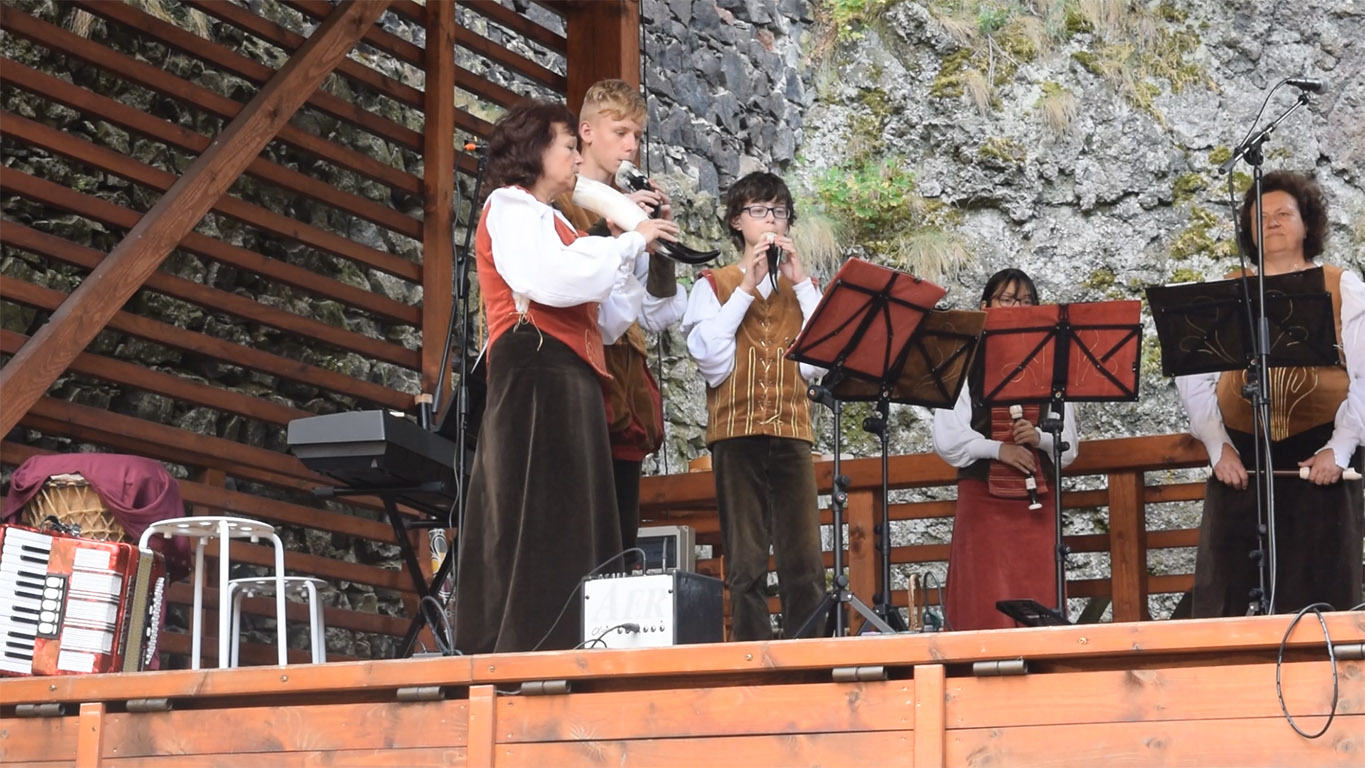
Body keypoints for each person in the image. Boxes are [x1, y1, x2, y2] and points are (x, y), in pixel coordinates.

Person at [452, 100, 678, 654]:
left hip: (567, 375)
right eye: (569, 146)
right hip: (535, 371)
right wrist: (627, 240)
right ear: (535, 151)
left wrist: (635, 249)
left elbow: (607, 317)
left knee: (571, 512)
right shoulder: (510, 205)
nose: (578, 158)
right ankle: (529, 647)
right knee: (540, 511)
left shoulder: (555, 222)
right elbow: (549, 280)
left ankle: (574, 644)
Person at [1176, 170, 1364, 617]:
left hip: (1318, 459)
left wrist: (1339, 449)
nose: (1272, 222)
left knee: (1319, 599)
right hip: (1241, 462)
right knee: (1228, 595)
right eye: (1260, 216)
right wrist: (1218, 447)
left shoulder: (1344, 286)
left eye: (1284, 213)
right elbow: (1193, 376)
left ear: (1307, 224)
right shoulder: (1227, 290)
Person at [680, 171, 826, 640]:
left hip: (791, 434)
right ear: (736, 222)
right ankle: (751, 658)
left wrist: (801, 285)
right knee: (745, 563)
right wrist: (746, 289)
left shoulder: (803, 289)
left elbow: (818, 364)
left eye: (779, 212)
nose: (771, 221)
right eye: (759, 211)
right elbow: (712, 362)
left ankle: (811, 660)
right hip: (736, 436)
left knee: (805, 562)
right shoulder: (714, 284)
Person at [554, 79, 688, 566]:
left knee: (620, 538)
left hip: (624, 381)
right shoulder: (557, 199)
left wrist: (661, 243)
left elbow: (654, 313)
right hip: (577, 367)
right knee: (576, 529)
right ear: (587, 133)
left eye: (637, 135)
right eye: (621, 132)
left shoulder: (627, 204)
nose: (631, 145)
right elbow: (567, 276)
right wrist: (618, 233)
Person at [931, 269, 1079, 631]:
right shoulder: (964, 358)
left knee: (1038, 594)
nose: (1018, 308)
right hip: (983, 499)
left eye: (1027, 302)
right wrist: (999, 450)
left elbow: (1070, 447)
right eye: (1007, 300)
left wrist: (1039, 438)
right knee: (982, 597)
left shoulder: (1053, 362)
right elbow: (947, 439)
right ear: (985, 306)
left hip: (1037, 504)